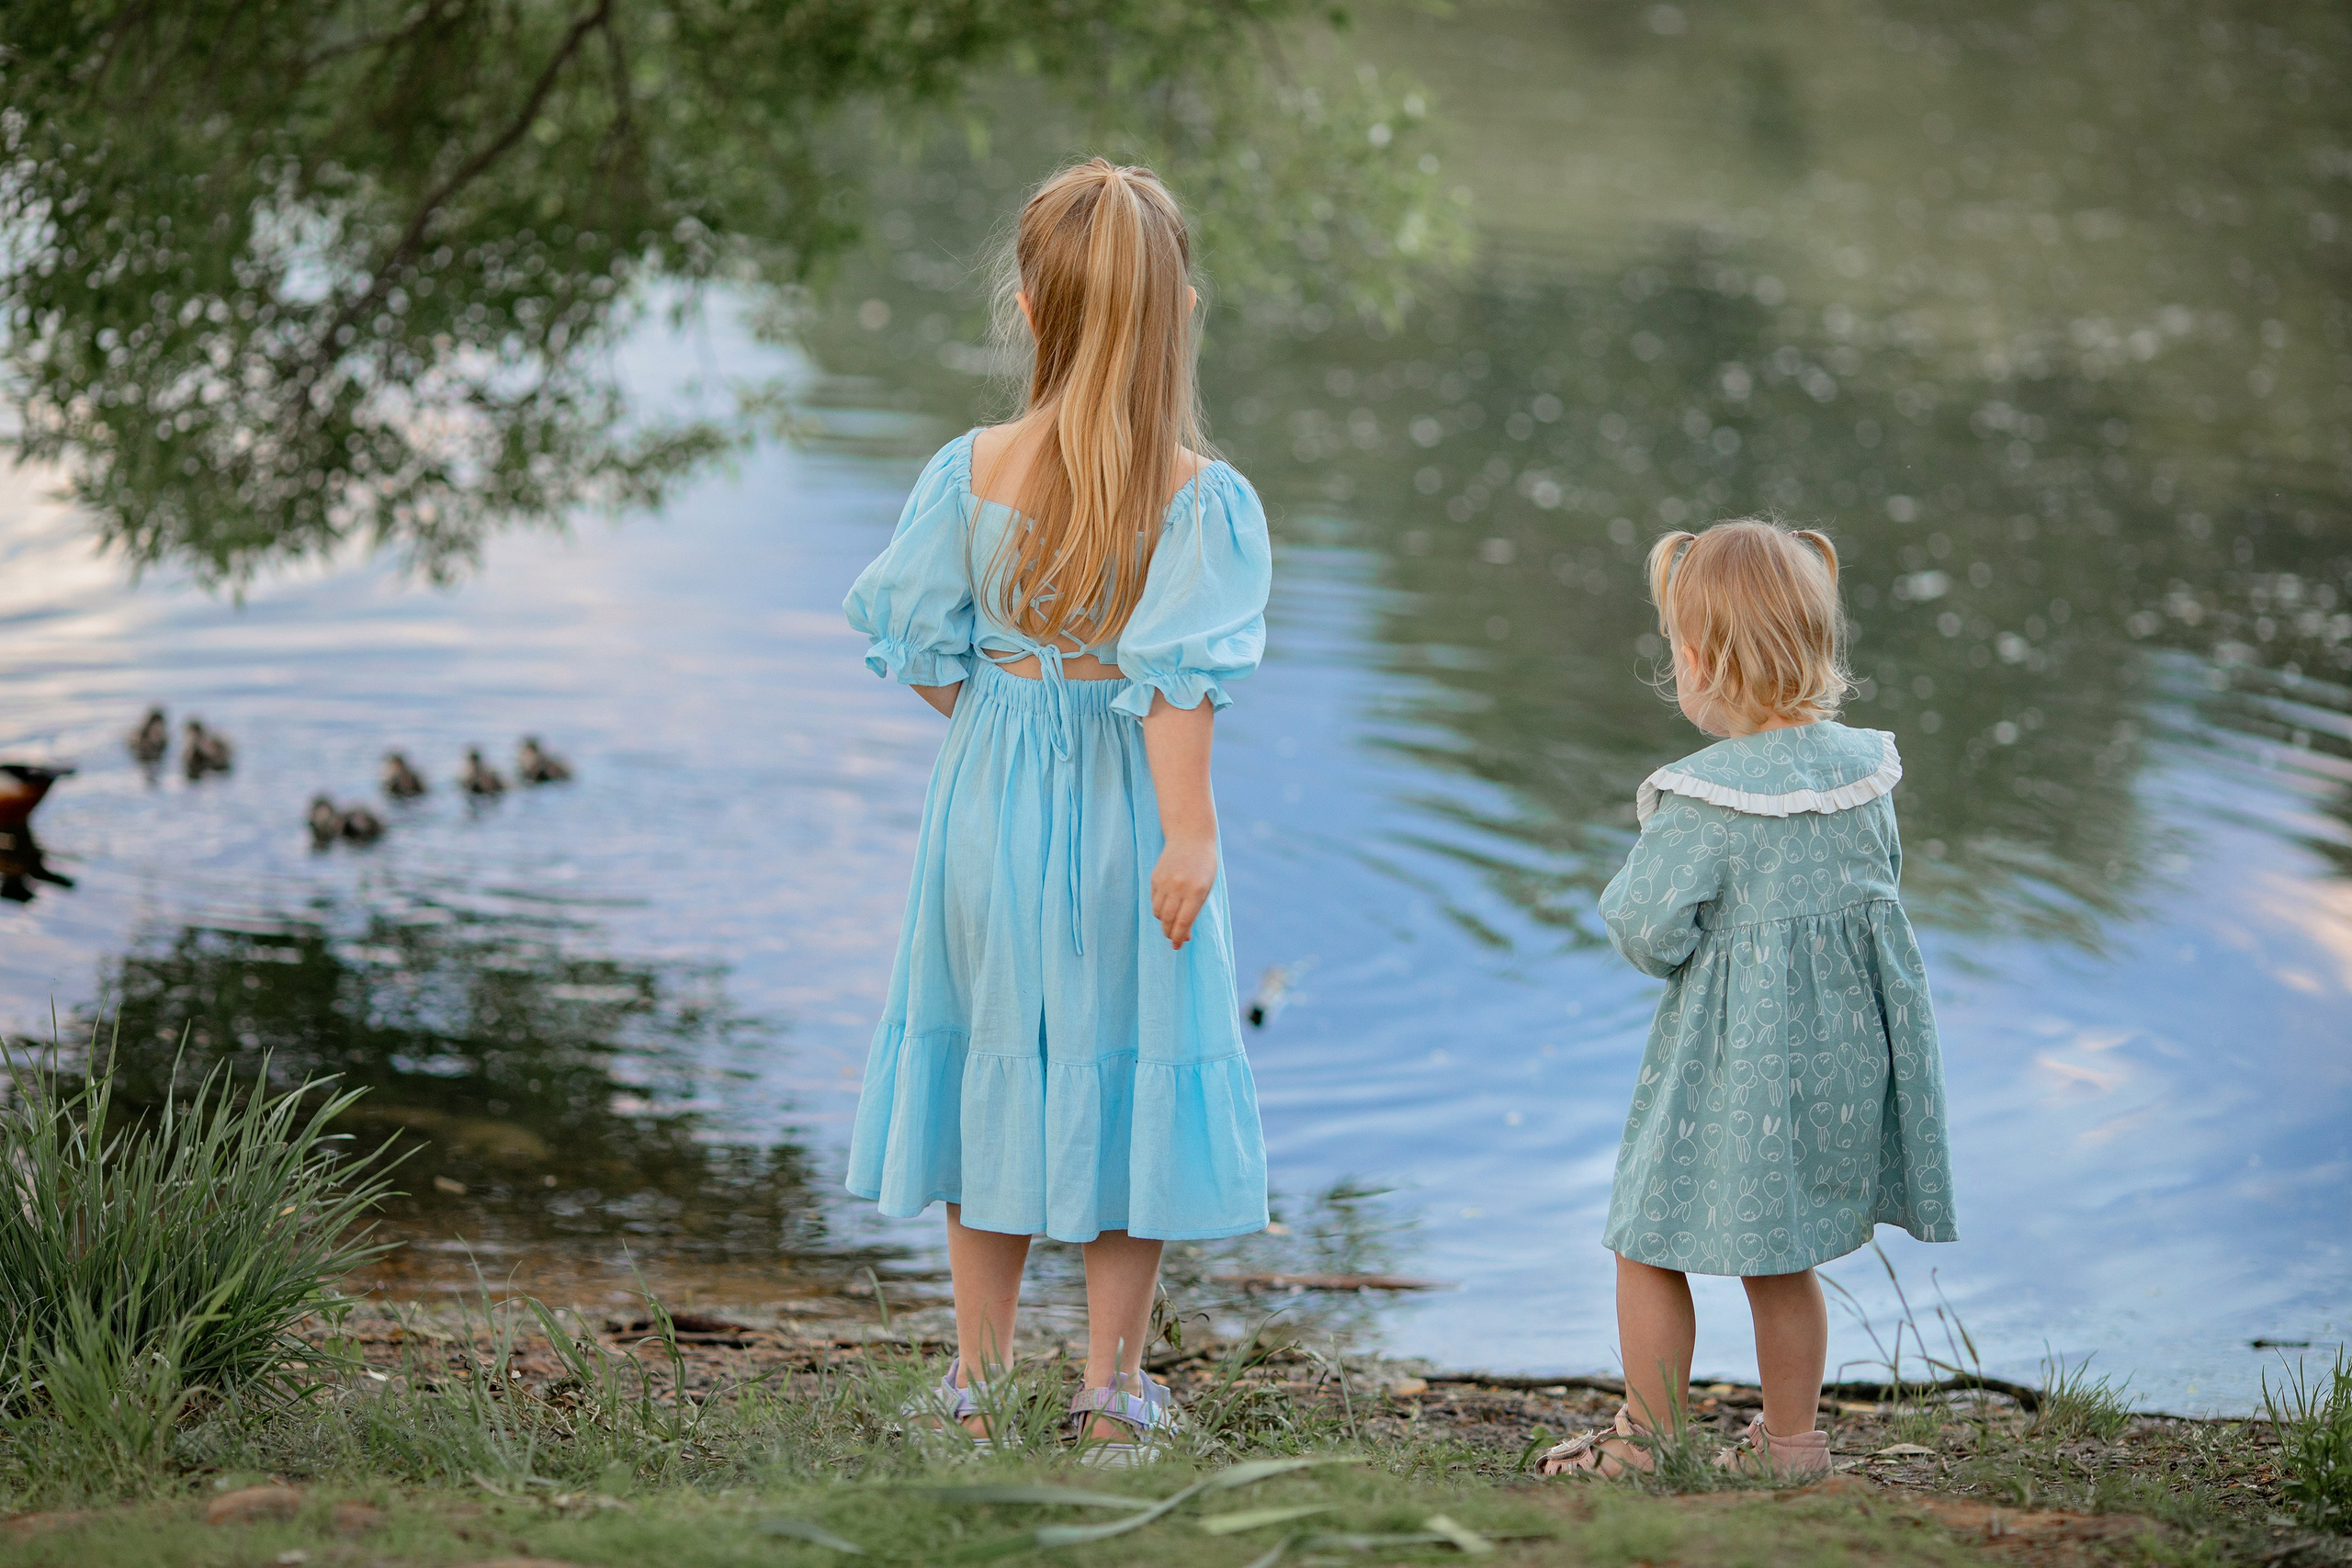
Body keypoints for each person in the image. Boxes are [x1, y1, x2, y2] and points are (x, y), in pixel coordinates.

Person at [842, 158, 1271, 1464]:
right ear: (1179, 308)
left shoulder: (968, 469)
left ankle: (974, 1379)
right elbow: (1178, 687)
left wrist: (995, 735)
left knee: (989, 1058)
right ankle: (1110, 1384)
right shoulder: (1195, 496)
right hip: (1124, 817)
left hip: (984, 802)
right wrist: (1188, 831)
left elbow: (915, 640)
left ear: (1028, 310)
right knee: (1126, 1063)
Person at [1541, 520, 1957, 1480]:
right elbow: (1877, 901)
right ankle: (1793, 1446)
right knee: (1784, 1257)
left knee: (1646, 1239)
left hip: (1727, 1065)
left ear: (1694, 660)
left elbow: (1648, 931)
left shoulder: (1705, 796)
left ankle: (1644, 1443)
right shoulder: (1866, 773)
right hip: (1841, 1060)